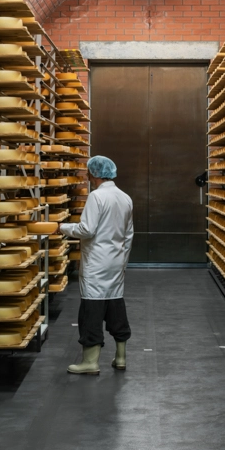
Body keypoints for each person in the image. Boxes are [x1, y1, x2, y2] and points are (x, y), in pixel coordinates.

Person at [59, 155, 134, 375]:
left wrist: (62, 228)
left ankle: (90, 362)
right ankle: (120, 357)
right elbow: (129, 235)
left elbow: (87, 229)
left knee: (92, 309)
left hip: (96, 263)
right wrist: (122, 262)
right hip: (116, 261)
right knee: (115, 306)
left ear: (94, 174)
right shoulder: (125, 197)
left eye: (88, 173)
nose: (87, 176)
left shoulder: (96, 196)